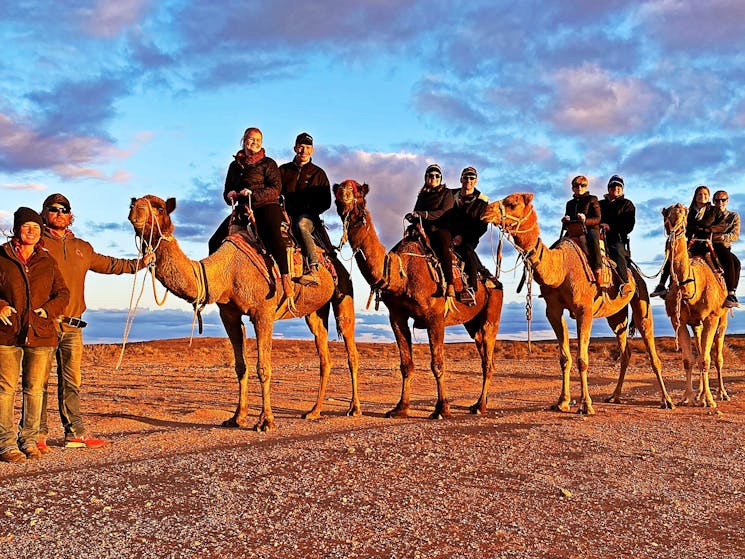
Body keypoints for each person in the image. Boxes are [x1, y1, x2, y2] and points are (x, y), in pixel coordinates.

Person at [39, 193, 153, 450]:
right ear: (44, 213)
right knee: (38, 382)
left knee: (71, 381)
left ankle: (74, 433)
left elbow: (111, 264)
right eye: (53, 209)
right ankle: (37, 435)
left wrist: (141, 264)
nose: (59, 213)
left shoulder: (83, 248)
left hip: (73, 326)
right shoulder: (36, 244)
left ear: (70, 216)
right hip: (43, 325)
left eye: (64, 209)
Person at [1, 207, 69, 463]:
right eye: (27, 226)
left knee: (34, 389)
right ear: (17, 229)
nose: (31, 231)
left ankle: (29, 439)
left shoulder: (47, 261)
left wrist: (47, 311)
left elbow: (62, 293)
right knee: (5, 389)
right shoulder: (2, 256)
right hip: (7, 334)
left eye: (36, 228)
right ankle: (5, 443)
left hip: (40, 333)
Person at [208, 127, 294, 301]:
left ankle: (286, 280)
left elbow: (275, 189)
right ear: (243, 140)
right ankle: (215, 283)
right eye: (251, 139)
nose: (254, 143)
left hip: (265, 205)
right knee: (215, 241)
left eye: (258, 140)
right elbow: (227, 189)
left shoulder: (268, 164)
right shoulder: (234, 166)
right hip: (241, 208)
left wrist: (253, 194)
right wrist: (229, 194)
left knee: (272, 234)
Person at [279, 132, 331, 284]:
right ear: (295, 148)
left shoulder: (319, 174)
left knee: (301, 225)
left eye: (307, 147)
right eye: (301, 147)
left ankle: (313, 268)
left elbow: (326, 202)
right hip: (284, 214)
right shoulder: (283, 171)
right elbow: (275, 191)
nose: (304, 151)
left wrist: (309, 209)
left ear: (312, 150)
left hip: (308, 216)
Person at [651, 185, 721, 297]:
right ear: (695, 196)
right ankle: (662, 285)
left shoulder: (714, 210)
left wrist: (707, 229)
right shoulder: (688, 212)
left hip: (707, 244)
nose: (702, 196)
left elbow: (719, 226)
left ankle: (725, 291)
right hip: (692, 244)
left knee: (718, 264)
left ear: (708, 197)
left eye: (705, 194)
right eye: (699, 194)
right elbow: (685, 228)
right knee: (674, 258)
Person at [406, 164, 456, 297]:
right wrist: (412, 217)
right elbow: (417, 212)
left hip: (440, 227)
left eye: (436, 175)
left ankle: (450, 283)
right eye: (430, 175)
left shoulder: (447, 193)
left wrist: (424, 214)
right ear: (426, 178)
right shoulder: (422, 196)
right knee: (404, 244)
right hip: (423, 228)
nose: (433, 178)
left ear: (440, 178)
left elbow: (444, 212)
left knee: (443, 245)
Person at [449, 166, 490, 303]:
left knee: (467, 250)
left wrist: (463, 237)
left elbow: (482, 226)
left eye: (472, 178)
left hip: (469, 237)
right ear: (461, 179)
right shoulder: (450, 195)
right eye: (466, 177)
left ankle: (471, 287)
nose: (468, 180)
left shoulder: (482, 202)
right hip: (449, 234)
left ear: (476, 181)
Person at [599, 175, 635, 296]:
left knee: (617, 251)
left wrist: (611, 227)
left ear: (622, 189)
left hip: (616, 238)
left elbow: (629, 225)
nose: (616, 188)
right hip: (598, 236)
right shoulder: (600, 204)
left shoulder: (627, 204)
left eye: (619, 186)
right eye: (613, 186)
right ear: (608, 188)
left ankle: (624, 283)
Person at [561, 175, 602, 282]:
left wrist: (585, 220)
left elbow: (598, 218)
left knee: (593, 239)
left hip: (590, 229)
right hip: (574, 230)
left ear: (586, 187)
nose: (579, 188)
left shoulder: (592, 199)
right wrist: (565, 221)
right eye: (576, 185)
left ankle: (598, 268)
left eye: (582, 185)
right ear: (572, 188)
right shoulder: (569, 204)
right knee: (558, 245)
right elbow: (566, 225)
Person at [711, 190, 740, 308]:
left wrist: (722, 236)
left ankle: (731, 293)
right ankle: (666, 286)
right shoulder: (709, 214)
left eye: (723, 200)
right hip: (708, 244)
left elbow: (735, 235)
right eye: (717, 200)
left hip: (724, 246)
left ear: (727, 201)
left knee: (736, 263)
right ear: (713, 201)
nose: (720, 202)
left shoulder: (733, 216)